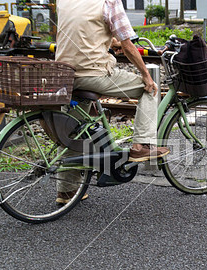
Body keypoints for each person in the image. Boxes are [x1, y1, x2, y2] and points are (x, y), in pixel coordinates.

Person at [55, 0, 169, 203]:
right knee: (148, 91)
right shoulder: (109, 2)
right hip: (92, 73)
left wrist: (108, 41)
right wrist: (146, 75)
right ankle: (141, 145)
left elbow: (83, 32)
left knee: (73, 130)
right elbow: (127, 45)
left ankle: (66, 191)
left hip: (65, 74)